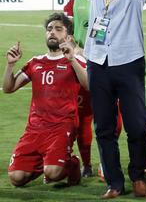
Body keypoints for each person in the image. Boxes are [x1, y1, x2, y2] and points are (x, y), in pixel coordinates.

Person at [46, 0, 146, 199]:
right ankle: (115, 183)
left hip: (129, 63)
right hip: (98, 64)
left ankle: (138, 174)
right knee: (104, 128)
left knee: (137, 125)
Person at [3, 13, 87, 187]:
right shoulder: (35, 62)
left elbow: (89, 85)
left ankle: (71, 163)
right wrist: (10, 65)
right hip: (34, 129)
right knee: (16, 178)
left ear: (68, 36)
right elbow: (8, 88)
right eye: (49, 29)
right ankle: (50, 160)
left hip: (61, 126)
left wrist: (71, 59)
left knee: (54, 174)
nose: (52, 33)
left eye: (58, 29)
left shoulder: (75, 60)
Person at [62, 0, 123, 178]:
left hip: (108, 63)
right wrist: (75, 48)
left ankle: (105, 160)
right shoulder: (75, 0)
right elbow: (64, 31)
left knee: (114, 120)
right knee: (84, 118)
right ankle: (87, 164)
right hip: (81, 63)